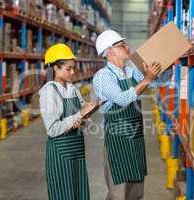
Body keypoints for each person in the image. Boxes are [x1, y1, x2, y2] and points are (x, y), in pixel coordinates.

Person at [92, 30, 173, 200]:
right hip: (118, 141)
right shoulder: (102, 77)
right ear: (109, 51)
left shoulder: (131, 72)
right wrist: (147, 79)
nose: (127, 48)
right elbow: (123, 99)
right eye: (122, 45)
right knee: (119, 193)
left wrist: (166, 64)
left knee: (136, 192)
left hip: (135, 139)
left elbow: (159, 82)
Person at [39, 43, 96, 200]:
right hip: (60, 154)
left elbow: (80, 113)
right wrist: (77, 117)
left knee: (79, 193)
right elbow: (52, 129)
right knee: (64, 195)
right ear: (56, 68)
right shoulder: (49, 91)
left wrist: (86, 115)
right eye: (68, 69)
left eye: (73, 68)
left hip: (77, 150)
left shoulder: (72, 88)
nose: (72, 72)